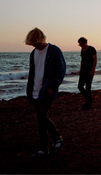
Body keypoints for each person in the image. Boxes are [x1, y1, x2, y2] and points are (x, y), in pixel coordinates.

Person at [25, 27, 66, 157]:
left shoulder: (54, 50)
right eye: (32, 44)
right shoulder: (33, 53)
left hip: (47, 91)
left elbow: (61, 70)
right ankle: (47, 146)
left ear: (40, 40)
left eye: (35, 43)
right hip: (35, 91)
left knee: (41, 116)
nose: (33, 45)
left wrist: (52, 86)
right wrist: (30, 92)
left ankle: (53, 141)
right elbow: (33, 73)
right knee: (40, 119)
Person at [78, 37, 97, 110]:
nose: (80, 45)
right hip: (83, 71)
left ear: (85, 42)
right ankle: (88, 99)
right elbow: (82, 60)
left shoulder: (92, 49)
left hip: (89, 70)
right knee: (80, 86)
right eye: (79, 44)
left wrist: (93, 70)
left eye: (81, 44)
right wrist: (80, 69)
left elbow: (95, 60)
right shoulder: (82, 50)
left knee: (88, 87)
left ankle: (88, 103)